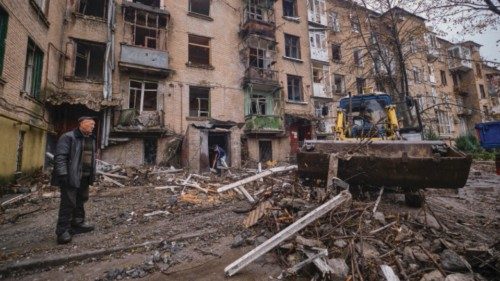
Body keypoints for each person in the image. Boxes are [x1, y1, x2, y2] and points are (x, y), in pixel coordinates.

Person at [51, 116, 97, 244]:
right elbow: (60, 157)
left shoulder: (90, 138)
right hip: (70, 176)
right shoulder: (68, 137)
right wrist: (63, 174)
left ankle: (78, 224)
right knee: (68, 203)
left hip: (85, 176)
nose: (93, 126)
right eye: (91, 124)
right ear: (82, 124)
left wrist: (92, 174)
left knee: (81, 200)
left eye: (94, 124)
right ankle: (62, 231)